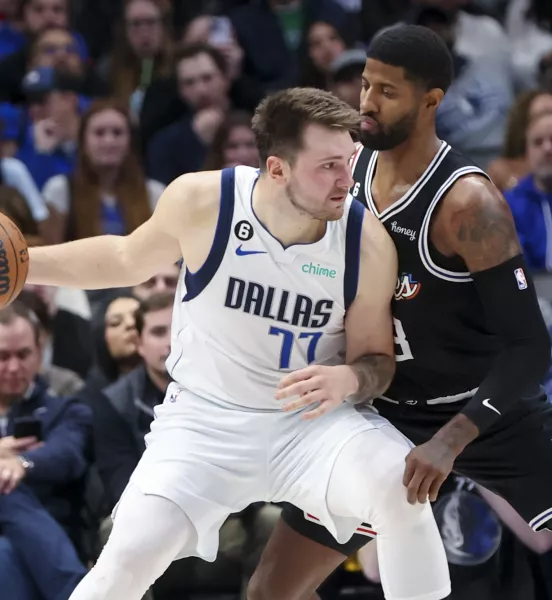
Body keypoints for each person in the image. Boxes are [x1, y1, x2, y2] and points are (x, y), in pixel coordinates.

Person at [24, 87, 451, 600]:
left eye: (351, 161)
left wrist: (351, 377)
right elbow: (122, 260)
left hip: (309, 427)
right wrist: (24, 262)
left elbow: (376, 361)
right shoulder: (205, 201)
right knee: (125, 559)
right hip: (205, 424)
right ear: (277, 169)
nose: (347, 180)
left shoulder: (365, 240)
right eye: (329, 166)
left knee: (401, 488)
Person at [246, 24, 552, 600]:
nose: (366, 102)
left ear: (431, 101)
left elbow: (529, 348)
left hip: (488, 416)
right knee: (270, 590)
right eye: (364, 85)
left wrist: (451, 440)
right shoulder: (347, 174)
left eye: (387, 91)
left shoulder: (468, 204)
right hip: (381, 411)